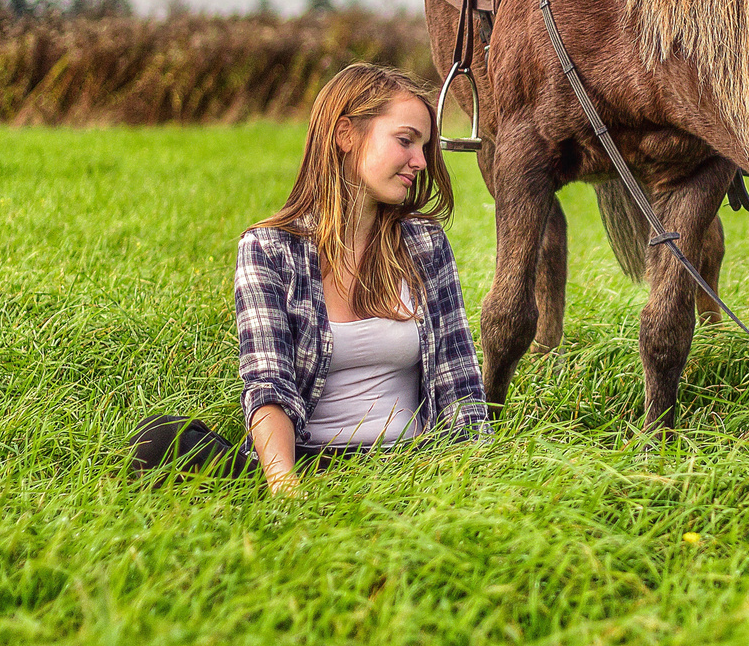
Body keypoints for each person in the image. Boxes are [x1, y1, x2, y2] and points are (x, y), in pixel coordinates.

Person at [131, 63, 490, 492]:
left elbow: (460, 381)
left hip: (410, 465)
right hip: (309, 462)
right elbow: (269, 383)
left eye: (424, 146)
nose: (419, 161)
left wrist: (470, 478)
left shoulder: (424, 245)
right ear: (345, 135)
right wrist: (285, 487)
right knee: (159, 439)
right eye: (405, 140)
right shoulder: (268, 249)